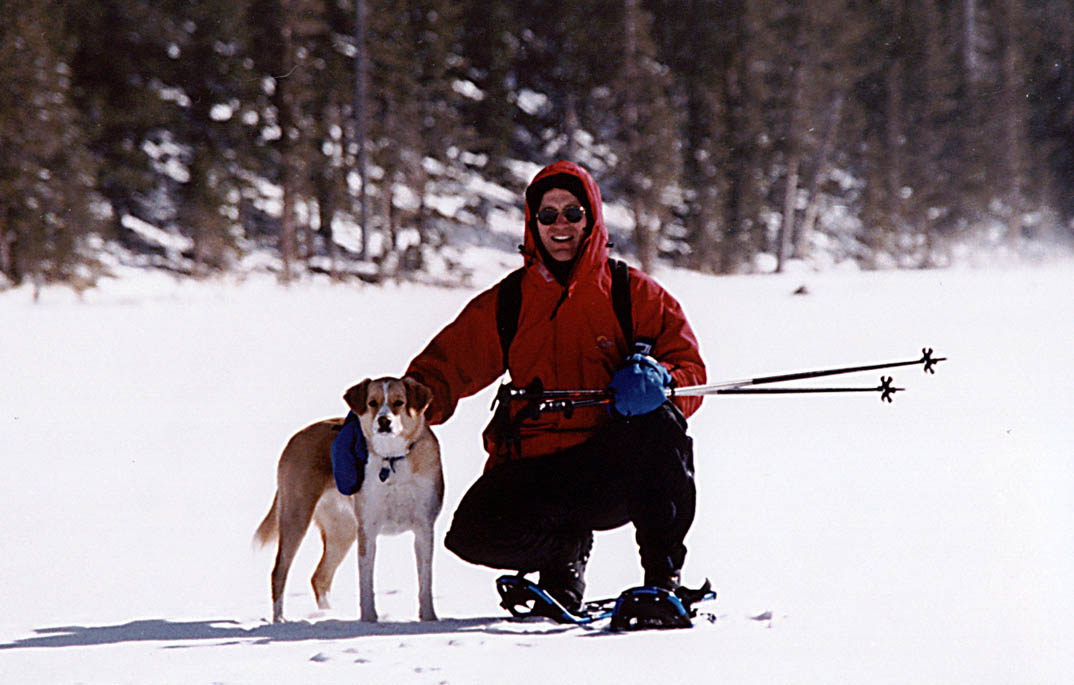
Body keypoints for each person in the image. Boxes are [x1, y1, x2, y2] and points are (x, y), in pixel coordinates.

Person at [404, 160, 706, 613]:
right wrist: (386, 415)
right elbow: (442, 372)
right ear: (533, 222)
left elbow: (690, 371)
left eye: (572, 213)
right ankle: (562, 557)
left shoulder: (632, 293)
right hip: (537, 471)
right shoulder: (509, 301)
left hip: (610, 470)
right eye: (548, 215)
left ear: (592, 218)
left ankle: (662, 580)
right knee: (471, 535)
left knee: (663, 425)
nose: (560, 225)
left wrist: (664, 382)